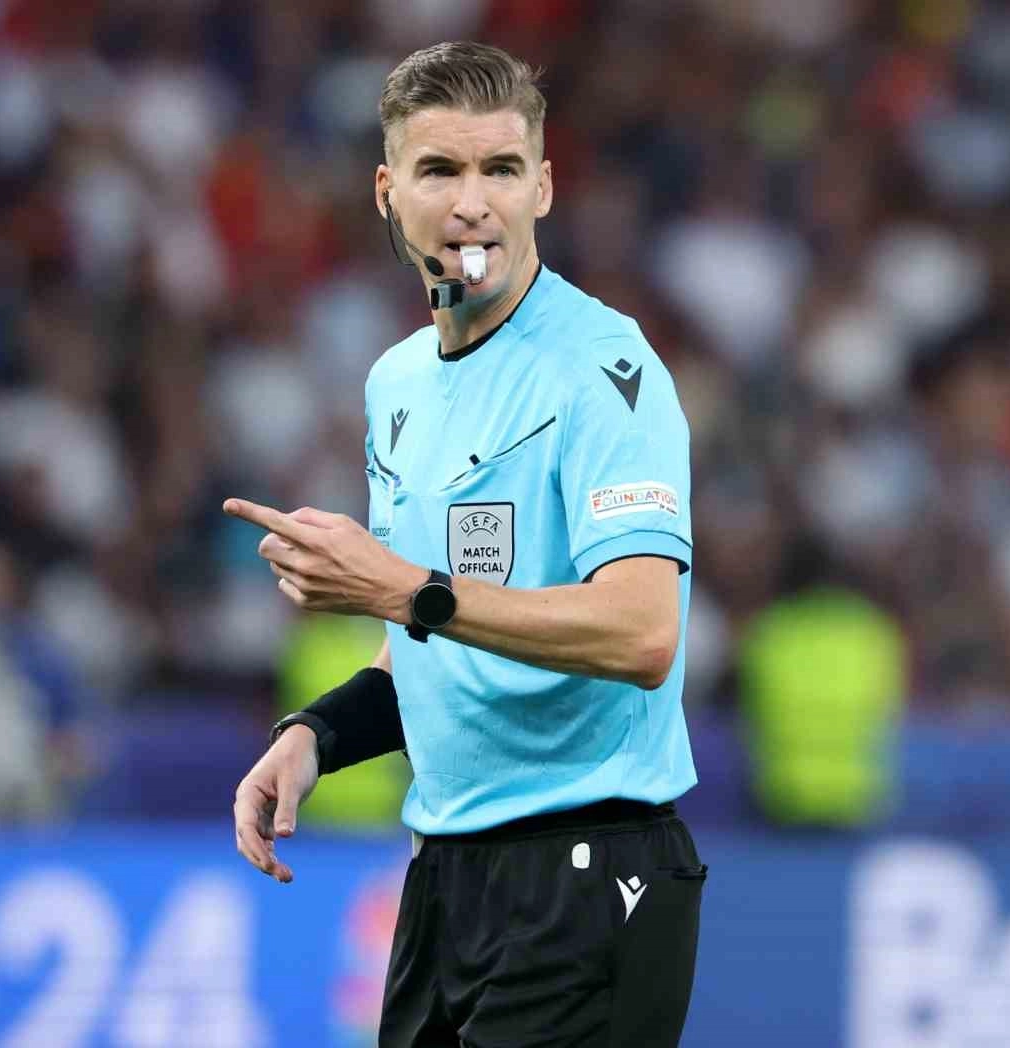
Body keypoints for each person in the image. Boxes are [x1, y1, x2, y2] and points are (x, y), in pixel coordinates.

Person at [226, 41, 704, 1047]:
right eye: (441, 170)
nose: (472, 204)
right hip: (446, 875)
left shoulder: (604, 370)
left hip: (591, 870)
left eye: (501, 169)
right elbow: (436, 637)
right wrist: (316, 736)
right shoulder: (397, 384)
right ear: (387, 192)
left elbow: (642, 632)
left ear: (544, 187)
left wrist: (404, 589)